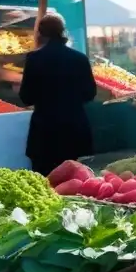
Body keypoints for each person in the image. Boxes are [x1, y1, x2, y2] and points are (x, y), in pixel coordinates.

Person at [18, 13, 97, 176]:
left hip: (45, 132)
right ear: (63, 32)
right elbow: (90, 93)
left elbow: (26, 97)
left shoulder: (34, 59)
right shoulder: (80, 58)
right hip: (75, 129)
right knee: (75, 182)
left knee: (46, 182)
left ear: (40, 33)